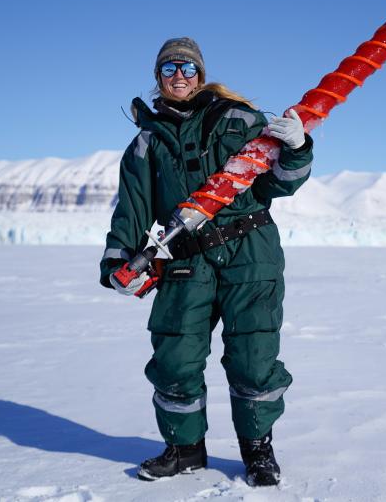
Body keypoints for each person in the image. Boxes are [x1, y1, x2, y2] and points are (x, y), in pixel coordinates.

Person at [99, 37, 313, 486]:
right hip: (184, 261)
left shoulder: (240, 120)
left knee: (254, 358)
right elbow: (131, 210)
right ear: (158, 77)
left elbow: (280, 184)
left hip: (249, 253)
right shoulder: (146, 143)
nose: (180, 76)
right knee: (175, 359)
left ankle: (257, 451)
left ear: (200, 74)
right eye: (170, 69)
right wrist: (118, 262)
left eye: (188, 69)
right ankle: (184, 450)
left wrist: (297, 148)